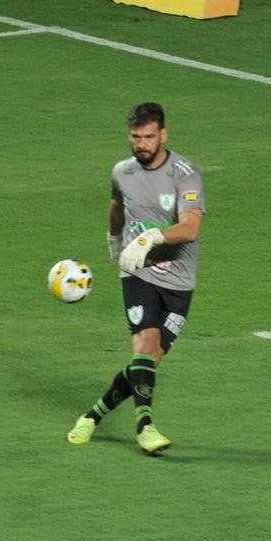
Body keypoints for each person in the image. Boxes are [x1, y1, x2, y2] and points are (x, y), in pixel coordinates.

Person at [67, 102, 205, 455]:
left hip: (179, 281)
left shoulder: (184, 174)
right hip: (137, 272)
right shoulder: (122, 172)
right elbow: (116, 207)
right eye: (135, 137)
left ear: (163, 135)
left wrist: (150, 237)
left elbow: (190, 229)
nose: (141, 144)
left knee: (148, 362)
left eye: (148, 137)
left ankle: (92, 417)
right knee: (144, 346)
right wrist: (115, 242)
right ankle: (146, 427)